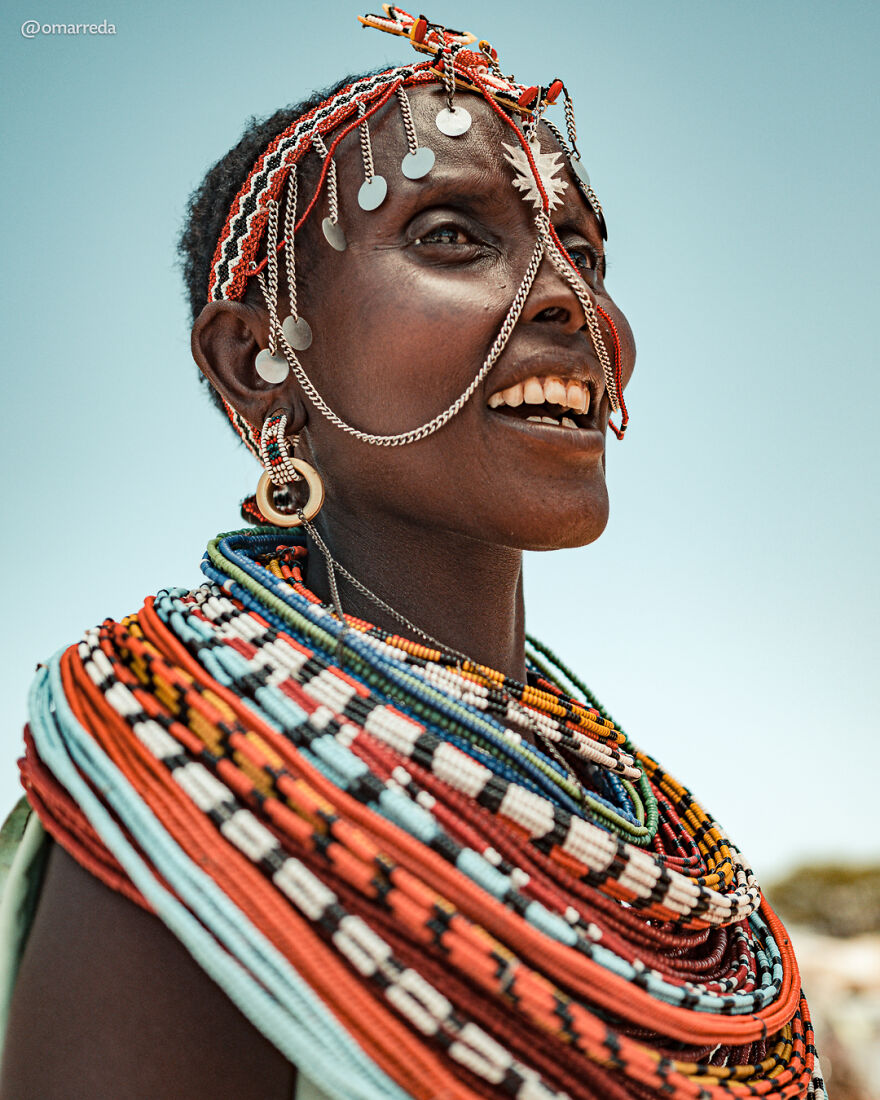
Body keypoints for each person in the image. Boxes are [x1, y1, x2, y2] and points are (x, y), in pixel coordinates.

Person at [0, 8, 825, 1099]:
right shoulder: (201, 787)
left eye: (582, 249)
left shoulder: (631, 824)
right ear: (258, 355)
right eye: (450, 233)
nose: (572, 300)